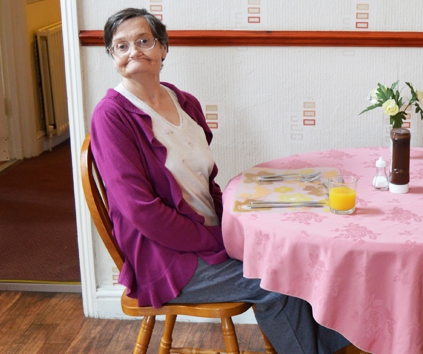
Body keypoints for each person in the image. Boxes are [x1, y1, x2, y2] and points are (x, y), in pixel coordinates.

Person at [90, 8, 350, 353]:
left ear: (163, 48)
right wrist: (214, 239)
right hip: (164, 257)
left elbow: (205, 181)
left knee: (296, 258)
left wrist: (234, 226)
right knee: (274, 282)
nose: (133, 51)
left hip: (208, 237)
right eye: (120, 46)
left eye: (143, 41)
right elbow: (141, 212)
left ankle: (341, 346)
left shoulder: (183, 102)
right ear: (112, 57)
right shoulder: (111, 116)